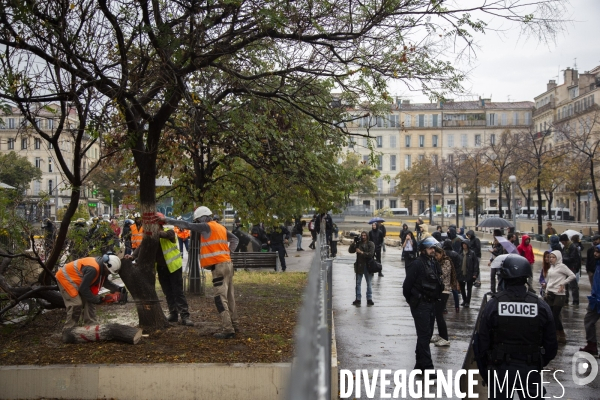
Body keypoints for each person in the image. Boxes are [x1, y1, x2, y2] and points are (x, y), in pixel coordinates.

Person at [475, 255, 557, 399]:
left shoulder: (493, 305)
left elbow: (482, 343)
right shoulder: (540, 306)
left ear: (504, 277)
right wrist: (539, 362)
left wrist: (488, 369)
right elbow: (551, 344)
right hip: (530, 367)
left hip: (501, 369)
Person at [160, 207, 240, 339]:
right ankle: (235, 325)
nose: (197, 223)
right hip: (228, 265)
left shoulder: (206, 226)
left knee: (220, 299)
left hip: (219, 267)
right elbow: (235, 240)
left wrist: (166, 220)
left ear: (203, 217)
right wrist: (228, 253)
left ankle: (228, 329)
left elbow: (187, 225)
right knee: (230, 297)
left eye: (198, 220)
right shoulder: (220, 227)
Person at [125, 217, 194, 326]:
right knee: (168, 292)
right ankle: (173, 314)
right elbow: (142, 246)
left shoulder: (168, 232)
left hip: (174, 267)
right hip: (162, 268)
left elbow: (167, 236)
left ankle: (185, 316)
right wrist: (132, 256)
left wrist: (153, 232)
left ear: (159, 225)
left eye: (154, 226)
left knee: (178, 292)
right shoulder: (151, 236)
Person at [402, 237, 444, 375]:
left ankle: (419, 365)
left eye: (434, 248)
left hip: (431, 303)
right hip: (420, 304)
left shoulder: (433, 263)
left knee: (426, 334)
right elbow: (406, 286)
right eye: (430, 248)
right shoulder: (417, 264)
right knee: (424, 335)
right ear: (423, 250)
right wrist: (413, 301)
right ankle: (428, 368)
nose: (433, 250)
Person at [55, 253, 124, 329]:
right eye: (109, 272)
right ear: (106, 266)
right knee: (76, 304)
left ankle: (91, 325)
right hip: (65, 278)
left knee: (90, 298)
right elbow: (83, 289)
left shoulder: (102, 267)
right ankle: (69, 329)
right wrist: (97, 299)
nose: (108, 273)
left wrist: (118, 289)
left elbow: (105, 282)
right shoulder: (93, 269)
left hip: (77, 281)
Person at [543, 250, 575, 344]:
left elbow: (572, 276)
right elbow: (550, 280)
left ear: (558, 258)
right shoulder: (551, 268)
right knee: (551, 315)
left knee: (555, 315)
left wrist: (563, 283)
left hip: (559, 294)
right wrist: (545, 288)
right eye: (550, 257)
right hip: (550, 292)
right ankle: (557, 334)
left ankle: (561, 334)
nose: (551, 259)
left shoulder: (562, 267)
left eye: (553, 257)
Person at [431, 246, 458, 346]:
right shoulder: (437, 261)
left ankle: (445, 338)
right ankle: (441, 335)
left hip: (444, 291)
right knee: (437, 314)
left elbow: (443, 275)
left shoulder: (446, 261)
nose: (436, 257)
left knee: (439, 314)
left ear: (441, 253)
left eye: (437, 255)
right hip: (439, 290)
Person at [579, 244, 600, 355]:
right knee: (588, 321)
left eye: (597, 252)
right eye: (595, 251)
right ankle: (591, 344)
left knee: (589, 321)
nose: (595, 254)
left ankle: (592, 345)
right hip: (595, 299)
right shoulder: (597, 265)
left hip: (597, 300)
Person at [349, 231, 375, 306]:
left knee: (369, 283)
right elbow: (350, 251)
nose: (363, 237)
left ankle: (369, 299)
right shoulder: (358, 243)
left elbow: (370, 254)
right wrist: (354, 243)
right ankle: (358, 298)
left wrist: (361, 252)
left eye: (365, 235)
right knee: (358, 283)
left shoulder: (370, 244)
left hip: (368, 266)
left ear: (367, 236)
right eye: (362, 235)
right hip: (359, 266)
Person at [456, 238, 479, 308]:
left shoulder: (472, 253)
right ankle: (464, 300)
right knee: (462, 288)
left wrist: (475, 274)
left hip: (469, 273)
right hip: (461, 273)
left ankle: (467, 302)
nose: (464, 246)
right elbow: (457, 263)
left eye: (465, 244)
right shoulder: (460, 253)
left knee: (469, 288)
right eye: (463, 244)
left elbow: (475, 264)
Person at [560, 234, 581, 306]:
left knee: (573, 285)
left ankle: (575, 301)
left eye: (562, 241)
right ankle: (566, 299)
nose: (562, 243)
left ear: (565, 241)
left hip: (571, 268)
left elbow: (572, 258)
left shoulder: (573, 247)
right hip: (566, 268)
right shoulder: (565, 247)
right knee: (565, 285)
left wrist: (563, 260)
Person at [442, 239, 461, 313]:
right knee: (454, 291)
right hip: (453, 274)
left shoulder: (443, 253)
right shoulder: (455, 254)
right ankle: (457, 307)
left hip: (445, 274)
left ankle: (444, 307)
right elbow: (459, 265)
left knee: (444, 291)